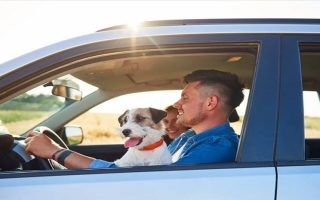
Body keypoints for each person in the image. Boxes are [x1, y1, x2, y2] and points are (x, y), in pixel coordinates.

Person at [24, 69, 244, 168]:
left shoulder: (217, 146)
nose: (177, 105)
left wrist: (55, 152)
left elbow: (153, 182)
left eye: (185, 98)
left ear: (210, 103)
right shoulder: (189, 139)